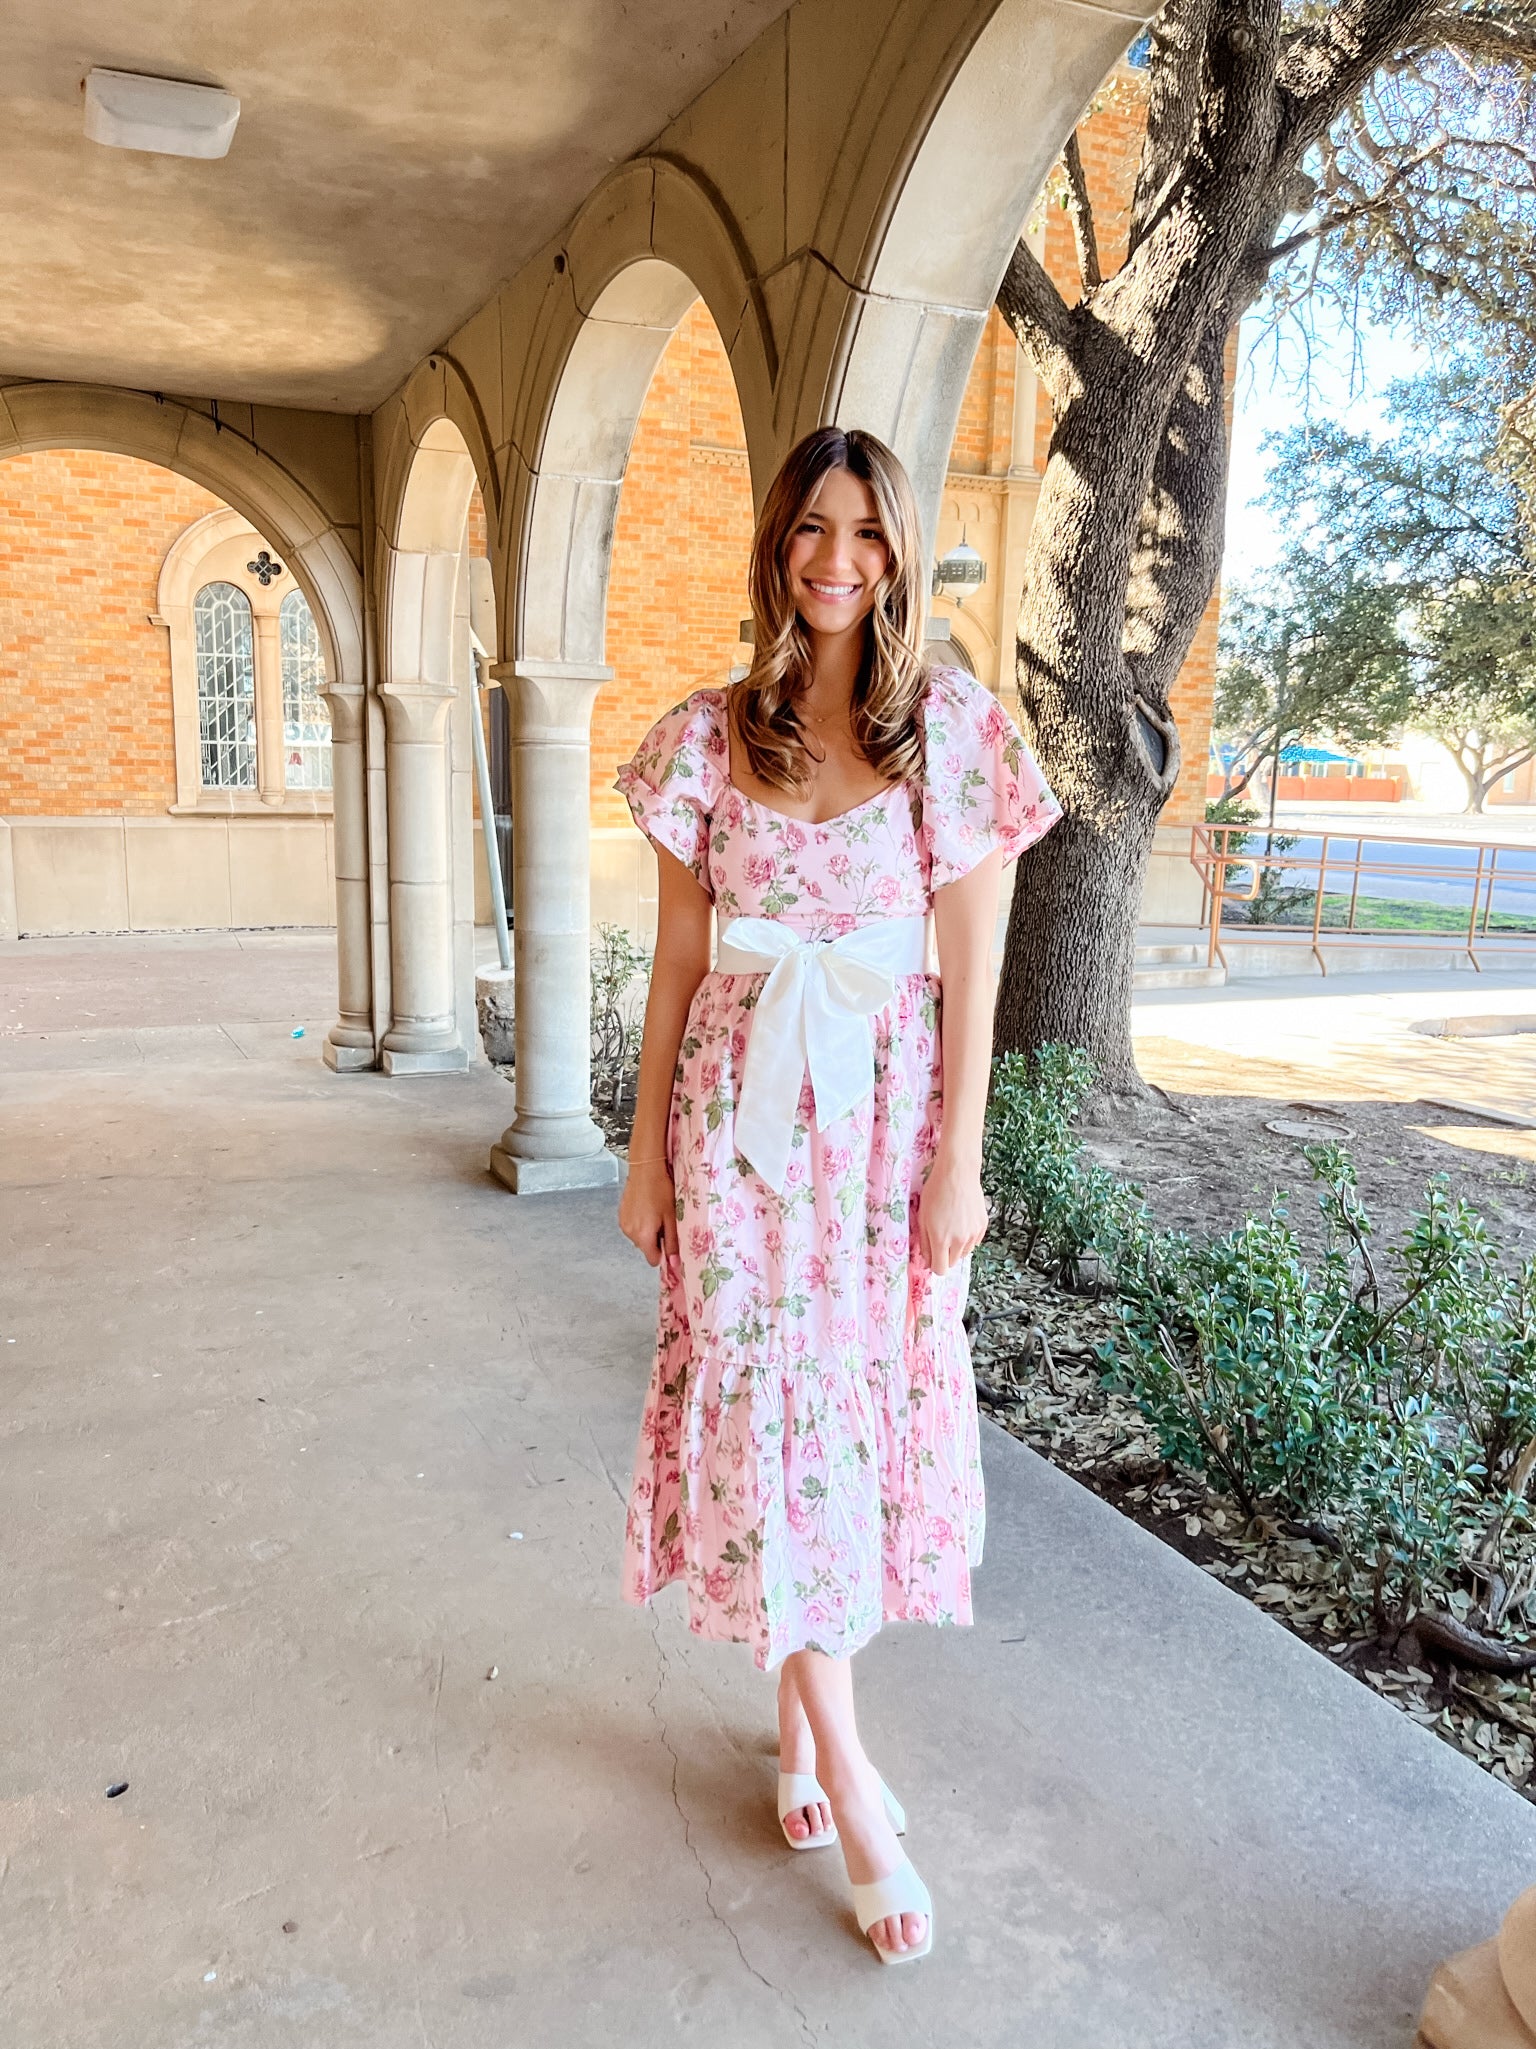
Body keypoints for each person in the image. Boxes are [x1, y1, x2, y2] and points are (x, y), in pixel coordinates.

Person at [614, 424, 1061, 1965]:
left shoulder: (953, 730)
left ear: (898, 549)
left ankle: (801, 1728)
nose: (836, 560)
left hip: (878, 1143)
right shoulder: (705, 735)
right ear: (774, 544)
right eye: (812, 528)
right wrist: (644, 1150)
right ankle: (857, 1780)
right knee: (759, 1409)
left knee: (845, 1422)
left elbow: (976, 975)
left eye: (866, 533)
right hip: (734, 1127)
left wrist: (962, 1163)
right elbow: (682, 957)